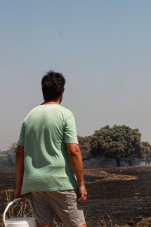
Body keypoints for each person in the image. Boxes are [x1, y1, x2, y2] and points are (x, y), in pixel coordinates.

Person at [15, 71, 87, 227]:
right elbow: (74, 151)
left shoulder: (29, 116)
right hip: (60, 181)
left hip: (35, 183)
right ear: (62, 92)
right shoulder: (65, 114)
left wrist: (19, 185)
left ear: (43, 91)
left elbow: (19, 153)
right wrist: (81, 183)